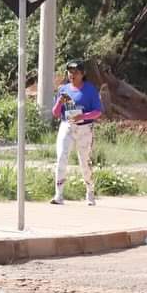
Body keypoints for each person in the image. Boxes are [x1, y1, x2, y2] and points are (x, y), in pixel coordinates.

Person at [50, 59, 103, 205]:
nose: (72, 75)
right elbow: (55, 113)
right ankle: (59, 194)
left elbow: (98, 111)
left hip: (85, 128)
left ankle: (90, 192)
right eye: (70, 72)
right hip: (67, 126)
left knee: (84, 161)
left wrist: (83, 116)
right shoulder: (63, 89)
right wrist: (59, 102)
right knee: (61, 157)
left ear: (82, 74)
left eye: (76, 72)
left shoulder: (90, 90)